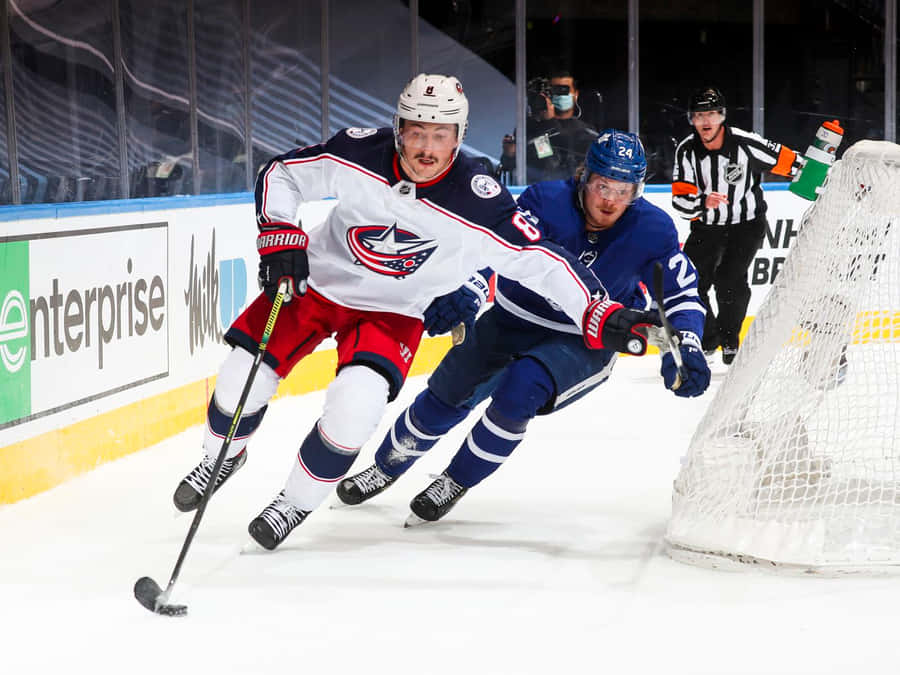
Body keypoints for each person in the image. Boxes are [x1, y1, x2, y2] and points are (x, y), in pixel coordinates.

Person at [171, 74, 662, 551]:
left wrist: (600, 312)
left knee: (355, 407)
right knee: (240, 378)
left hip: (393, 311)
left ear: (459, 138)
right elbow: (282, 174)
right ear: (398, 128)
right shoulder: (358, 151)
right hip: (316, 284)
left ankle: (293, 503)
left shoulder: (477, 196)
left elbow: (541, 263)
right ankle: (221, 457)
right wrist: (280, 236)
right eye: (417, 133)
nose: (427, 149)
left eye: (440, 136)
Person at [336, 130, 711, 525]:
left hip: (583, 340)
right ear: (585, 176)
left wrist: (684, 343)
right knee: (447, 393)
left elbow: (679, 293)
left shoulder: (653, 228)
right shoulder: (544, 201)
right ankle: (387, 465)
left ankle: (455, 479)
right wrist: (472, 287)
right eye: (603, 186)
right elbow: (495, 246)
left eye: (624, 191)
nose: (611, 201)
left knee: (521, 389)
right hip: (512, 319)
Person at [672, 86, 804, 364]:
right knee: (692, 282)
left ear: (721, 116)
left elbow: (793, 164)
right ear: (691, 119)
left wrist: (824, 172)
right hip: (707, 226)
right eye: (699, 115)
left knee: (729, 280)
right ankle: (708, 339)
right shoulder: (686, 151)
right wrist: (701, 202)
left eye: (711, 114)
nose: (705, 122)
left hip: (746, 224)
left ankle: (730, 339)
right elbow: (680, 203)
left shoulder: (745, 143)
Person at [499, 70, 598, 183]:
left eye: (564, 90)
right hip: (534, 190)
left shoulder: (584, 130)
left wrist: (550, 121)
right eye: (554, 91)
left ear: (575, 94)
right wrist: (509, 155)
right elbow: (509, 168)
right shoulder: (528, 127)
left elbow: (569, 157)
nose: (559, 95)